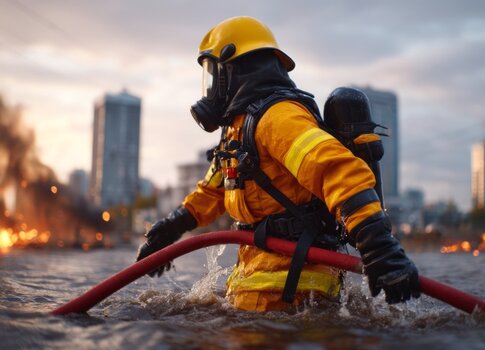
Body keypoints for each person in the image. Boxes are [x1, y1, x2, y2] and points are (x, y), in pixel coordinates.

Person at [136, 16, 421, 312]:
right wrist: (171, 228)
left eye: (212, 73)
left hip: (295, 288)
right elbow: (213, 190)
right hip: (263, 277)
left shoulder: (277, 117)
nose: (209, 88)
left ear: (230, 72)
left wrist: (379, 246)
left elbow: (335, 170)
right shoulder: (237, 130)